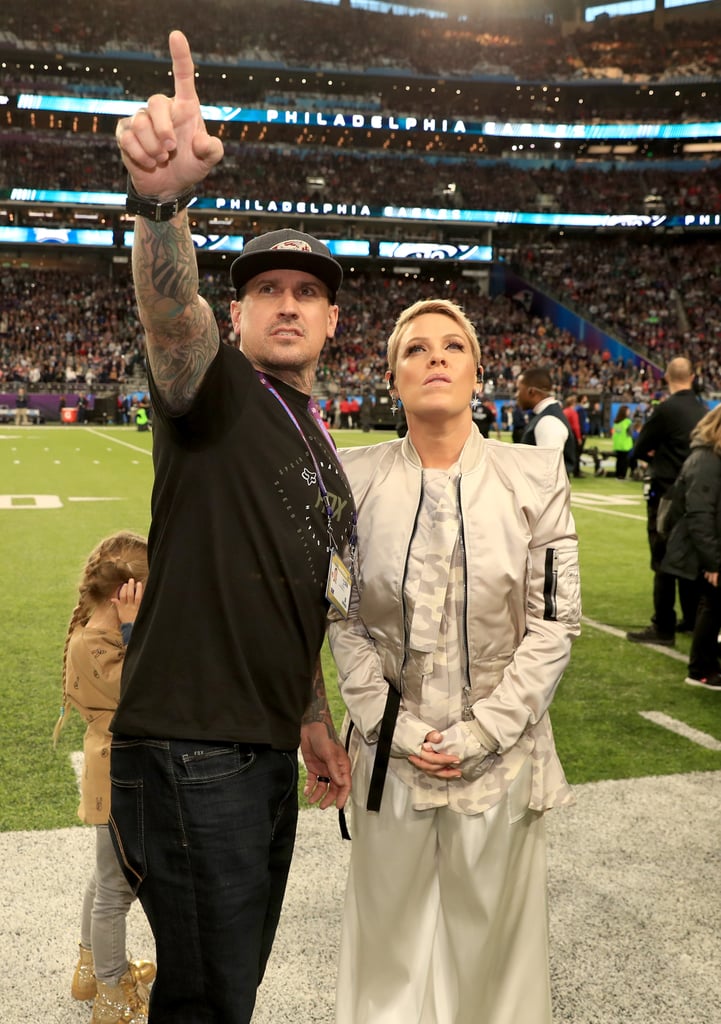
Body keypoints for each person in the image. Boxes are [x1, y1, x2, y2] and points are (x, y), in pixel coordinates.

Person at [111, 30, 355, 1024]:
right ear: (239, 313)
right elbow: (170, 326)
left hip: (254, 745)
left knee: (226, 988)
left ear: (334, 321)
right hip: (190, 742)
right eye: (265, 290)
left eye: (306, 292)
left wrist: (308, 721)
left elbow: (291, 584)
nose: (287, 304)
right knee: (213, 1000)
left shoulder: (315, 438)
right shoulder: (214, 388)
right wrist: (163, 205)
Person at [328, 298, 581, 1024]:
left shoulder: (535, 476)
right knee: (387, 947)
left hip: (501, 757)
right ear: (390, 377)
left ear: (476, 372)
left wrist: (481, 732)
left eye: (451, 346)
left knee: (492, 951)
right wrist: (396, 729)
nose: (434, 358)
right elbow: (341, 618)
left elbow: (554, 624)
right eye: (415, 349)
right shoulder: (352, 478)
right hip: (388, 757)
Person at [53, 532, 156, 1024]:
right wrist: (136, 629)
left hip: (111, 768)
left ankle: (91, 969)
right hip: (116, 774)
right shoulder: (97, 644)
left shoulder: (94, 633)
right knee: (117, 891)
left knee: (105, 877)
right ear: (126, 595)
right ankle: (113, 993)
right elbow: (143, 691)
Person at [626, 357, 705, 646]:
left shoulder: (666, 410)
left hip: (666, 495)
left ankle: (663, 625)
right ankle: (691, 619)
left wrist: (651, 456)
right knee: (688, 557)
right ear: (693, 376)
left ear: (667, 377)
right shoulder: (701, 409)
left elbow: (639, 448)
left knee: (661, 559)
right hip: (695, 494)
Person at [661, 405, 721, 690]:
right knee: (712, 605)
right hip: (705, 550)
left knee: (712, 605)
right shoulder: (706, 460)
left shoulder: (710, 457)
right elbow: (699, 515)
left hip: (710, 546)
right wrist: (712, 562)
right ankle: (702, 669)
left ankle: (705, 665)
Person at [516, 366, 577, 476]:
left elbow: (548, 474)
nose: (517, 395)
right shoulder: (545, 416)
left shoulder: (549, 421)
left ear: (531, 391)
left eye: (519, 389)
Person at [611, 404, 634, 479]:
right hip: (625, 444)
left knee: (619, 460)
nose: (629, 412)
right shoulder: (627, 422)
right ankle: (622, 475)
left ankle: (618, 474)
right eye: (628, 411)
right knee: (625, 461)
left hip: (617, 444)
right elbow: (630, 433)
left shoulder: (616, 422)